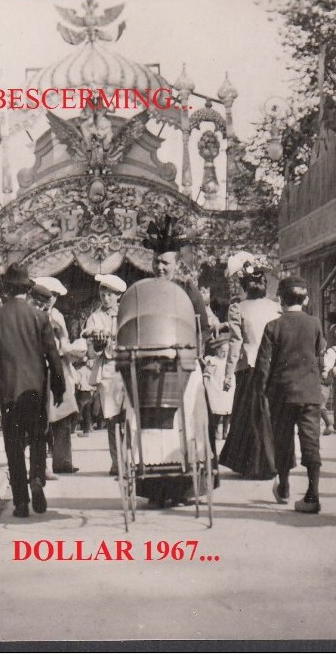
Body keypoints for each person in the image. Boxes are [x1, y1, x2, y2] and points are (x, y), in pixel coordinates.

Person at [135, 215, 213, 507]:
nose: (160, 267)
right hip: (152, 366)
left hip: (184, 363)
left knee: (188, 425)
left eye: (165, 262)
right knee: (155, 429)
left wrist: (194, 350)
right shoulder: (144, 290)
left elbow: (202, 327)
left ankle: (185, 488)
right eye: (156, 261)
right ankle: (156, 490)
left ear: (177, 264)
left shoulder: (188, 290)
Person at [0, 263, 65, 518]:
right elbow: (53, 355)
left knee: (14, 445)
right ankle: (37, 478)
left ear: (6, 289)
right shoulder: (39, 317)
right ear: (27, 290)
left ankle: (20, 501)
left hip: (8, 390)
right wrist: (58, 386)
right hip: (35, 389)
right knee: (38, 437)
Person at [249, 276, 327, 514]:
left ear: (280, 299)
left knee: (283, 441)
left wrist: (261, 391)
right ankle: (312, 495)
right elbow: (320, 355)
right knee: (311, 442)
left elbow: (263, 364)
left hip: (282, 393)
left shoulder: (273, 326)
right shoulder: (314, 324)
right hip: (310, 393)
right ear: (305, 299)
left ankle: (283, 486)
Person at [219, 266, 281, 479]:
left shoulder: (238, 308)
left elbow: (235, 343)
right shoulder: (276, 308)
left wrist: (228, 373)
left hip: (250, 366)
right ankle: (272, 462)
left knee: (250, 415)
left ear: (245, 286)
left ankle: (253, 464)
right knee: (269, 413)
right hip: (273, 366)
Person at [32, 276, 81, 474]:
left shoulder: (58, 316)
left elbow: (64, 342)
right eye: (48, 295)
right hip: (39, 365)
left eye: (54, 296)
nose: (51, 299)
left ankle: (63, 461)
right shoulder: (33, 314)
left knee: (64, 413)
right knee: (42, 414)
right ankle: (42, 463)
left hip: (59, 365)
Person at [82, 273, 128, 476]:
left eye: (110, 294)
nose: (106, 298)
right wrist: (99, 342)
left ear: (118, 295)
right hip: (108, 370)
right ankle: (117, 462)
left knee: (130, 417)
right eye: (103, 293)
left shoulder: (127, 313)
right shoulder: (94, 318)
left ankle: (131, 459)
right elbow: (90, 349)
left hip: (127, 367)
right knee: (112, 418)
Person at [203, 327, 235, 458]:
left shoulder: (229, 362)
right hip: (216, 386)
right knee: (216, 409)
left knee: (227, 408)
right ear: (217, 350)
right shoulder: (213, 360)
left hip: (227, 387)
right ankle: (216, 429)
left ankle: (226, 431)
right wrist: (206, 384)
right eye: (222, 351)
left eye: (227, 352)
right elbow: (207, 374)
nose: (224, 354)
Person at [74, 354, 97, 437]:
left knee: (78, 412)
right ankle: (86, 430)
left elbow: (76, 381)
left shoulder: (79, 371)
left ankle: (72, 429)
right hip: (88, 393)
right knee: (87, 413)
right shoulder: (89, 371)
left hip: (82, 393)